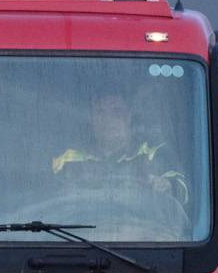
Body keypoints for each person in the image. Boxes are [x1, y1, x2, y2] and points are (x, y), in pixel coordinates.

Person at [51, 90, 190, 220]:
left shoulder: (154, 152)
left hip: (145, 237)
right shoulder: (68, 158)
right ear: (92, 118)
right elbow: (44, 197)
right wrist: (64, 191)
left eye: (116, 112)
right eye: (100, 112)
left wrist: (167, 185)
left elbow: (185, 192)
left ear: (128, 116)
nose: (108, 119)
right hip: (80, 236)